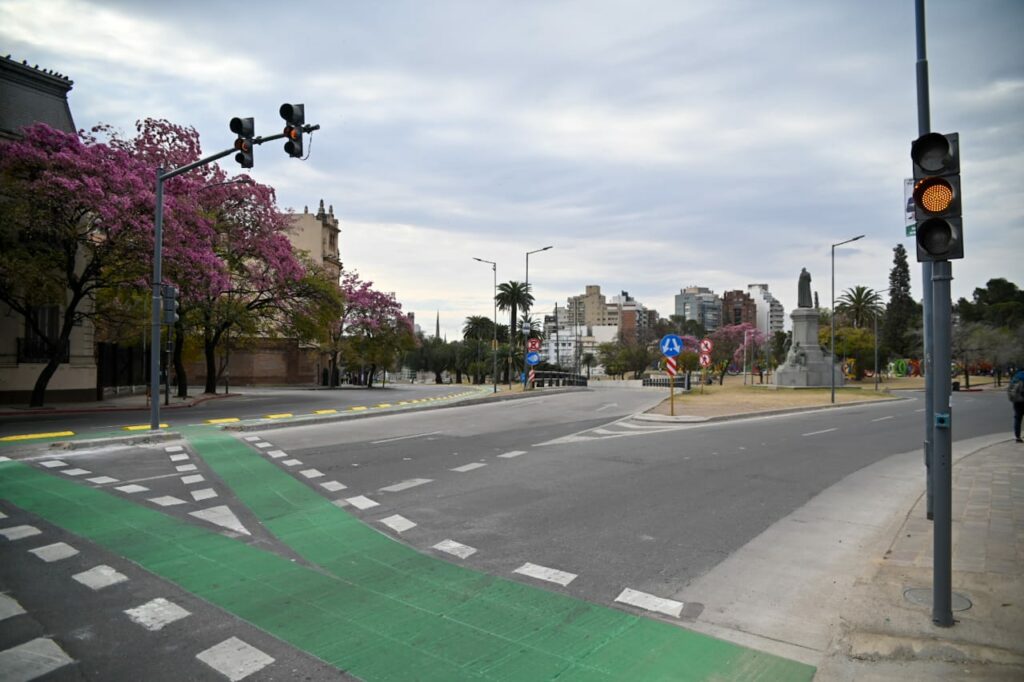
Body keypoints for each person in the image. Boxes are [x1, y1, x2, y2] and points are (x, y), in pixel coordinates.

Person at [1009, 369, 1024, 443]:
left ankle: (1017, 437)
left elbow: (1010, 389)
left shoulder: (1016, 377)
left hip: (1016, 401)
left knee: (1017, 418)